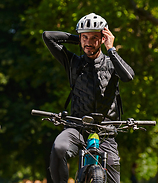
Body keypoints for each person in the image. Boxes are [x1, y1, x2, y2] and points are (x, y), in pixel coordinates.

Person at [42, 13, 135, 183]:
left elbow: (128, 76)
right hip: (76, 127)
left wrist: (111, 50)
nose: (89, 42)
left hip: (105, 131)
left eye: (94, 37)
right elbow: (48, 36)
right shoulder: (73, 62)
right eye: (85, 37)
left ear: (103, 38)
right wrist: (78, 39)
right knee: (59, 148)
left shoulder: (111, 63)